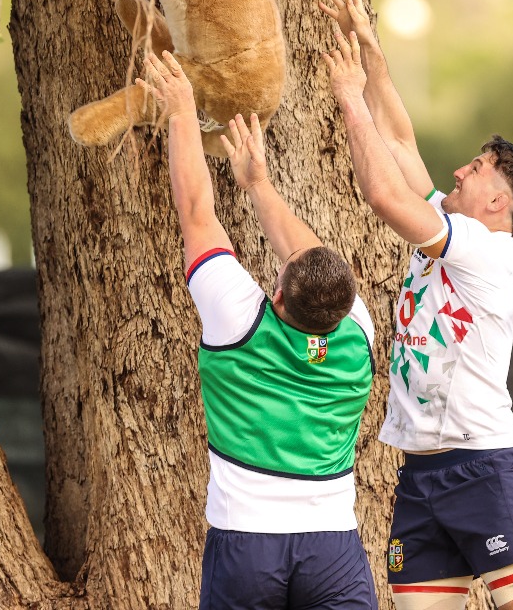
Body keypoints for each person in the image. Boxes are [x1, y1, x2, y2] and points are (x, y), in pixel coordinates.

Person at [320, 0, 513, 610]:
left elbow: (384, 196)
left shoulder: (486, 250)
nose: (460, 170)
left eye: (475, 168)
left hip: (483, 466)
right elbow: (399, 142)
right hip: (422, 473)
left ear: (498, 203)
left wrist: (349, 97)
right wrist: (371, 50)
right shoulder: (455, 231)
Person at [138, 49, 379, 610]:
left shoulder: (237, 320)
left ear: (276, 293)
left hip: (247, 544)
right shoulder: (357, 335)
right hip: (332, 547)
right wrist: (260, 186)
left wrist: (180, 109)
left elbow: (196, 210)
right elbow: (308, 257)